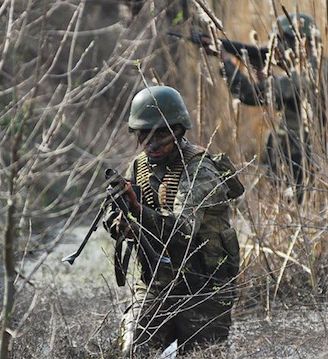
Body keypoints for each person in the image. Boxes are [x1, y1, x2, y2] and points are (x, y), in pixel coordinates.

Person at [104, 85, 241, 356]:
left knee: (203, 354)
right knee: (132, 350)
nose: (152, 144)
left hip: (204, 288)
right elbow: (113, 211)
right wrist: (119, 223)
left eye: (161, 134)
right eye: (145, 135)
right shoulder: (139, 167)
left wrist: (139, 211)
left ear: (178, 130)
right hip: (157, 282)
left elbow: (184, 228)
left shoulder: (200, 170)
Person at [218, 13, 328, 201]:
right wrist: (260, 70)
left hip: (297, 160)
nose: (276, 51)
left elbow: (248, 95)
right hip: (322, 158)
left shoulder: (299, 79)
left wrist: (226, 62)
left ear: (301, 44)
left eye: (281, 44)